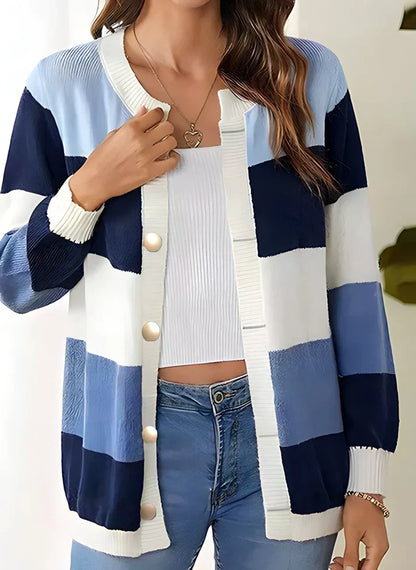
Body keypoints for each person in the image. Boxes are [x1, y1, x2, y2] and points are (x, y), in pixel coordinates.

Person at [0, 1, 399, 569]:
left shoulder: (306, 77)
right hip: (129, 450)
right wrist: (87, 189)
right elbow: (15, 282)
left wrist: (367, 479)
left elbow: (353, 287)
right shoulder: (64, 88)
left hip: (293, 444)